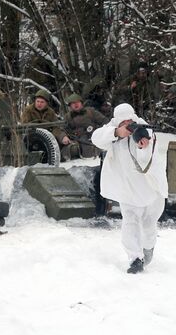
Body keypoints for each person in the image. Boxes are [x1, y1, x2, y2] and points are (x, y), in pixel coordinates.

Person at [91, 103, 168, 274]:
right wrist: (117, 133)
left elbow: (146, 161)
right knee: (130, 222)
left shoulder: (144, 130)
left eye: (129, 120)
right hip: (127, 190)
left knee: (149, 225)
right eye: (123, 121)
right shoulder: (112, 129)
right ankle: (135, 259)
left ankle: (148, 248)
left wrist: (143, 146)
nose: (127, 123)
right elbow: (96, 138)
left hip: (150, 189)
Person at [59, 93, 108, 161]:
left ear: (81, 103)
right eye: (73, 103)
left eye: (77, 102)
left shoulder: (90, 112)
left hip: (94, 137)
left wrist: (102, 131)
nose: (76, 104)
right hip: (79, 141)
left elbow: (104, 121)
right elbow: (62, 130)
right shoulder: (68, 117)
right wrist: (64, 137)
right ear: (70, 106)